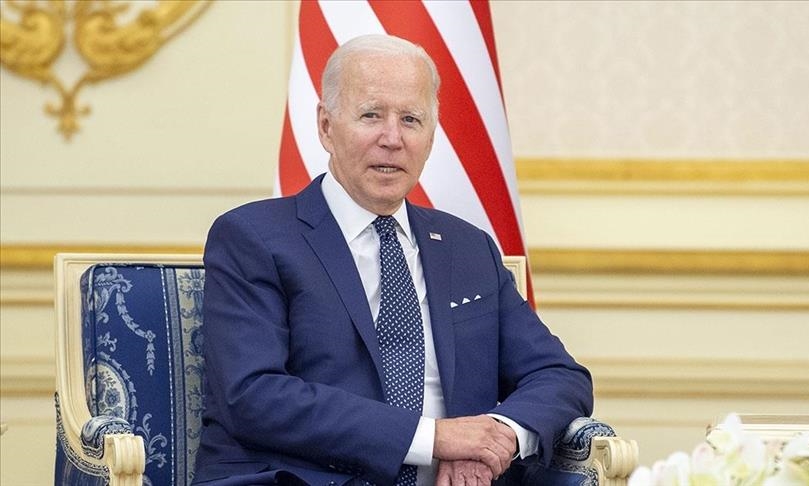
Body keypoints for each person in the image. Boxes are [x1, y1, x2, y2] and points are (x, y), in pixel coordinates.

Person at [192, 34, 593, 486]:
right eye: (371, 115)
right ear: (325, 126)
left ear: (431, 136)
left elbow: (559, 375)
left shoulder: (468, 248)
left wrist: (493, 439)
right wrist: (435, 439)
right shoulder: (253, 237)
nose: (392, 139)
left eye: (411, 120)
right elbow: (253, 395)